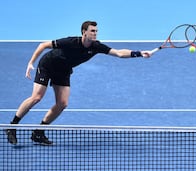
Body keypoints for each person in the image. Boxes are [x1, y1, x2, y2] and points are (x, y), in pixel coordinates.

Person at [5, 21, 151, 145]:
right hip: (48, 65)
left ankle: (38, 132)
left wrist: (139, 53)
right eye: (92, 31)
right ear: (84, 32)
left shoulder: (96, 46)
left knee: (62, 104)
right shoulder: (70, 42)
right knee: (37, 97)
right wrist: (31, 63)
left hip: (63, 71)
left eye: (96, 31)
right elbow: (43, 45)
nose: (95, 34)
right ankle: (12, 126)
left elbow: (119, 53)